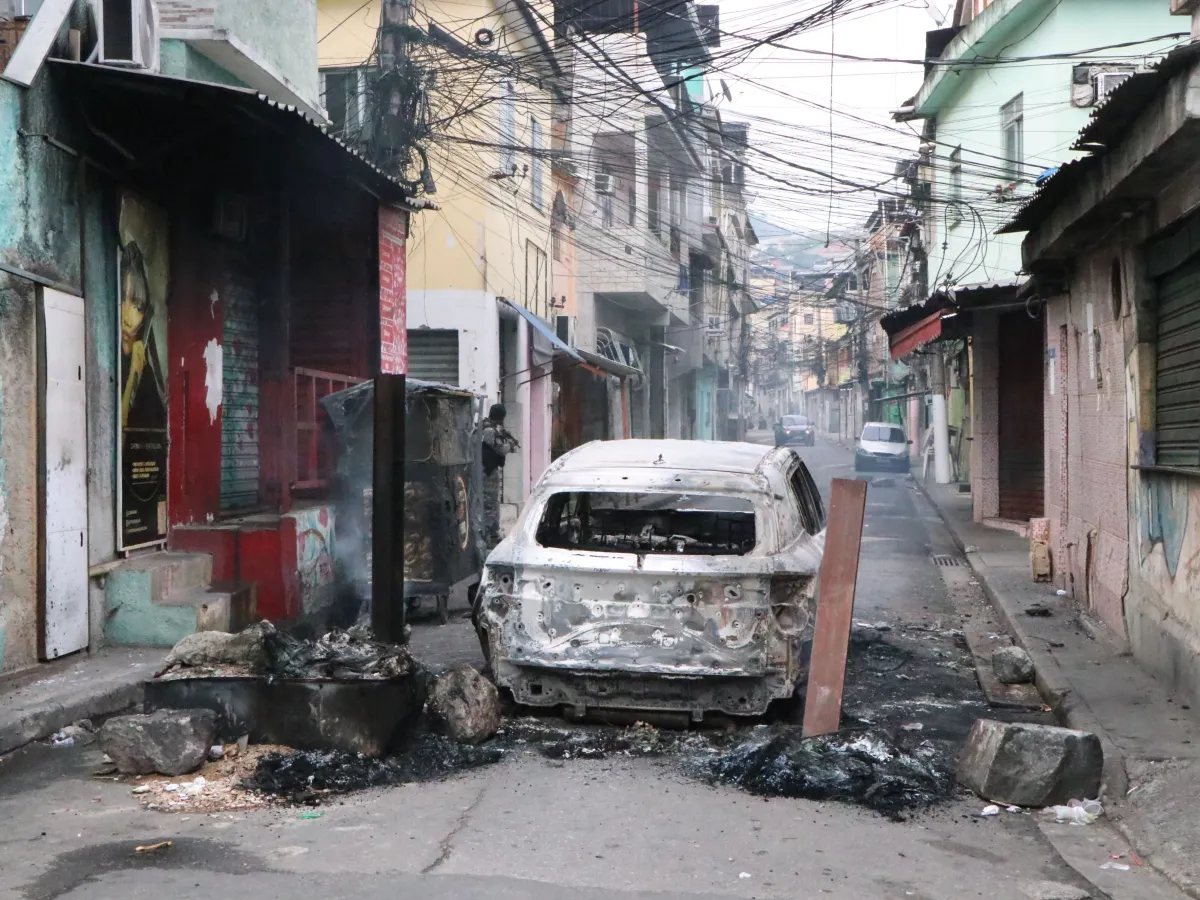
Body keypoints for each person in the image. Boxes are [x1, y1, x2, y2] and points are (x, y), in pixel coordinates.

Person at [481, 403, 519, 550]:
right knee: (491, 505)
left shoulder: (484, 426)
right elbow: (500, 449)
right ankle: (491, 536)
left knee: (489, 504)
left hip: (485, 470)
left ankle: (490, 534)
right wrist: (510, 444)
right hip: (487, 472)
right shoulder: (489, 430)